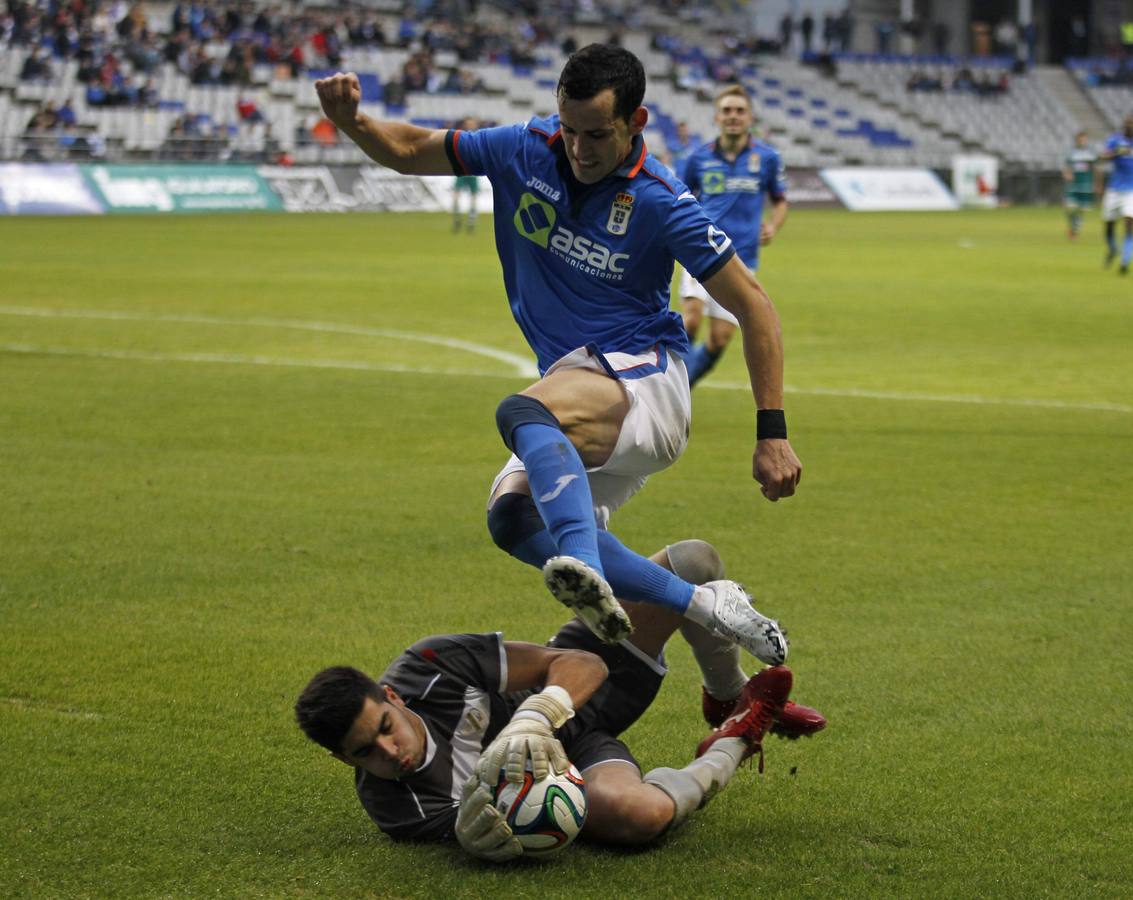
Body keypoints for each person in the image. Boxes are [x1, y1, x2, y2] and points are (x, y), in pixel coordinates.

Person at [312, 45, 801, 673]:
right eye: (569, 130)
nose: (578, 147)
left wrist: (773, 435)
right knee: (512, 518)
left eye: (597, 134)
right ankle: (706, 605)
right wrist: (355, 121)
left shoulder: (659, 199)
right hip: (578, 386)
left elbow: (756, 306)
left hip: (646, 384)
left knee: (523, 411)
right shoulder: (523, 148)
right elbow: (409, 149)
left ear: (636, 123)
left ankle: (586, 568)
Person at [293, 540, 800, 860]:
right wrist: (478, 844)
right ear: (342, 758)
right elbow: (522, 829)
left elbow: (585, 664)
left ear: (391, 696)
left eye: (384, 726)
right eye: (364, 753)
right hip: (576, 762)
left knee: (693, 560)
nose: (389, 751)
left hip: (581, 695)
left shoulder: (429, 665)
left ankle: (728, 693)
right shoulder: (398, 810)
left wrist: (532, 721)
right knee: (638, 817)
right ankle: (738, 734)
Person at [678, 85, 788, 387]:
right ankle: (662, 385)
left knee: (719, 339)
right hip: (701, 248)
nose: (733, 116)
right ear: (716, 117)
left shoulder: (767, 158)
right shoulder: (697, 159)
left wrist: (773, 226)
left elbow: (780, 200)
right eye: (727, 110)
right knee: (691, 318)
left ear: (750, 117)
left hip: (743, 258)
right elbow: (676, 198)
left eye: (740, 111)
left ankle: (681, 387)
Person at [1099, 113, 1133, 275]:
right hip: (1115, 189)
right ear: (1123, 125)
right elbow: (1102, 157)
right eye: (1127, 124)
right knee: (1109, 226)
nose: (1130, 126)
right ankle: (1112, 249)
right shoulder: (1115, 140)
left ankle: (1125, 261)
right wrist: (1117, 152)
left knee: (1130, 225)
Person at [1062, 130, 1096, 239]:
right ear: (1077, 140)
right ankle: (1073, 225)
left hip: (1086, 183)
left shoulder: (1090, 152)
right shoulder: (1071, 152)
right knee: (1069, 206)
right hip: (1074, 183)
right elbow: (1066, 165)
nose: (1082, 141)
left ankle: (1075, 228)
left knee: (1082, 208)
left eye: (1084, 139)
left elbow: (1095, 168)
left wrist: (1097, 183)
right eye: (1080, 139)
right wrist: (1067, 174)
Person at [451, 116, 480, 233]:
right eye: (468, 123)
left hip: (473, 172)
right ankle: (457, 219)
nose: (470, 125)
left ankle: (471, 221)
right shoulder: (460, 136)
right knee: (456, 195)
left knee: (473, 197)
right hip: (461, 172)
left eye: (472, 123)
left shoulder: (479, 137)